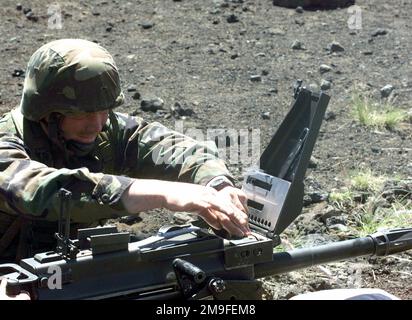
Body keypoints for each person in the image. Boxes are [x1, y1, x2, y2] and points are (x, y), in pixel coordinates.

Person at [0, 39, 250, 262]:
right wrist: (163, 193)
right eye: (82, 113)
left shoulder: (108, 128)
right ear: (46, 112)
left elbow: (170, 147)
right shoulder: (5, 143)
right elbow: (38, 191)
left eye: (104, 109)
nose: (97, 125)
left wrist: (216, 182)